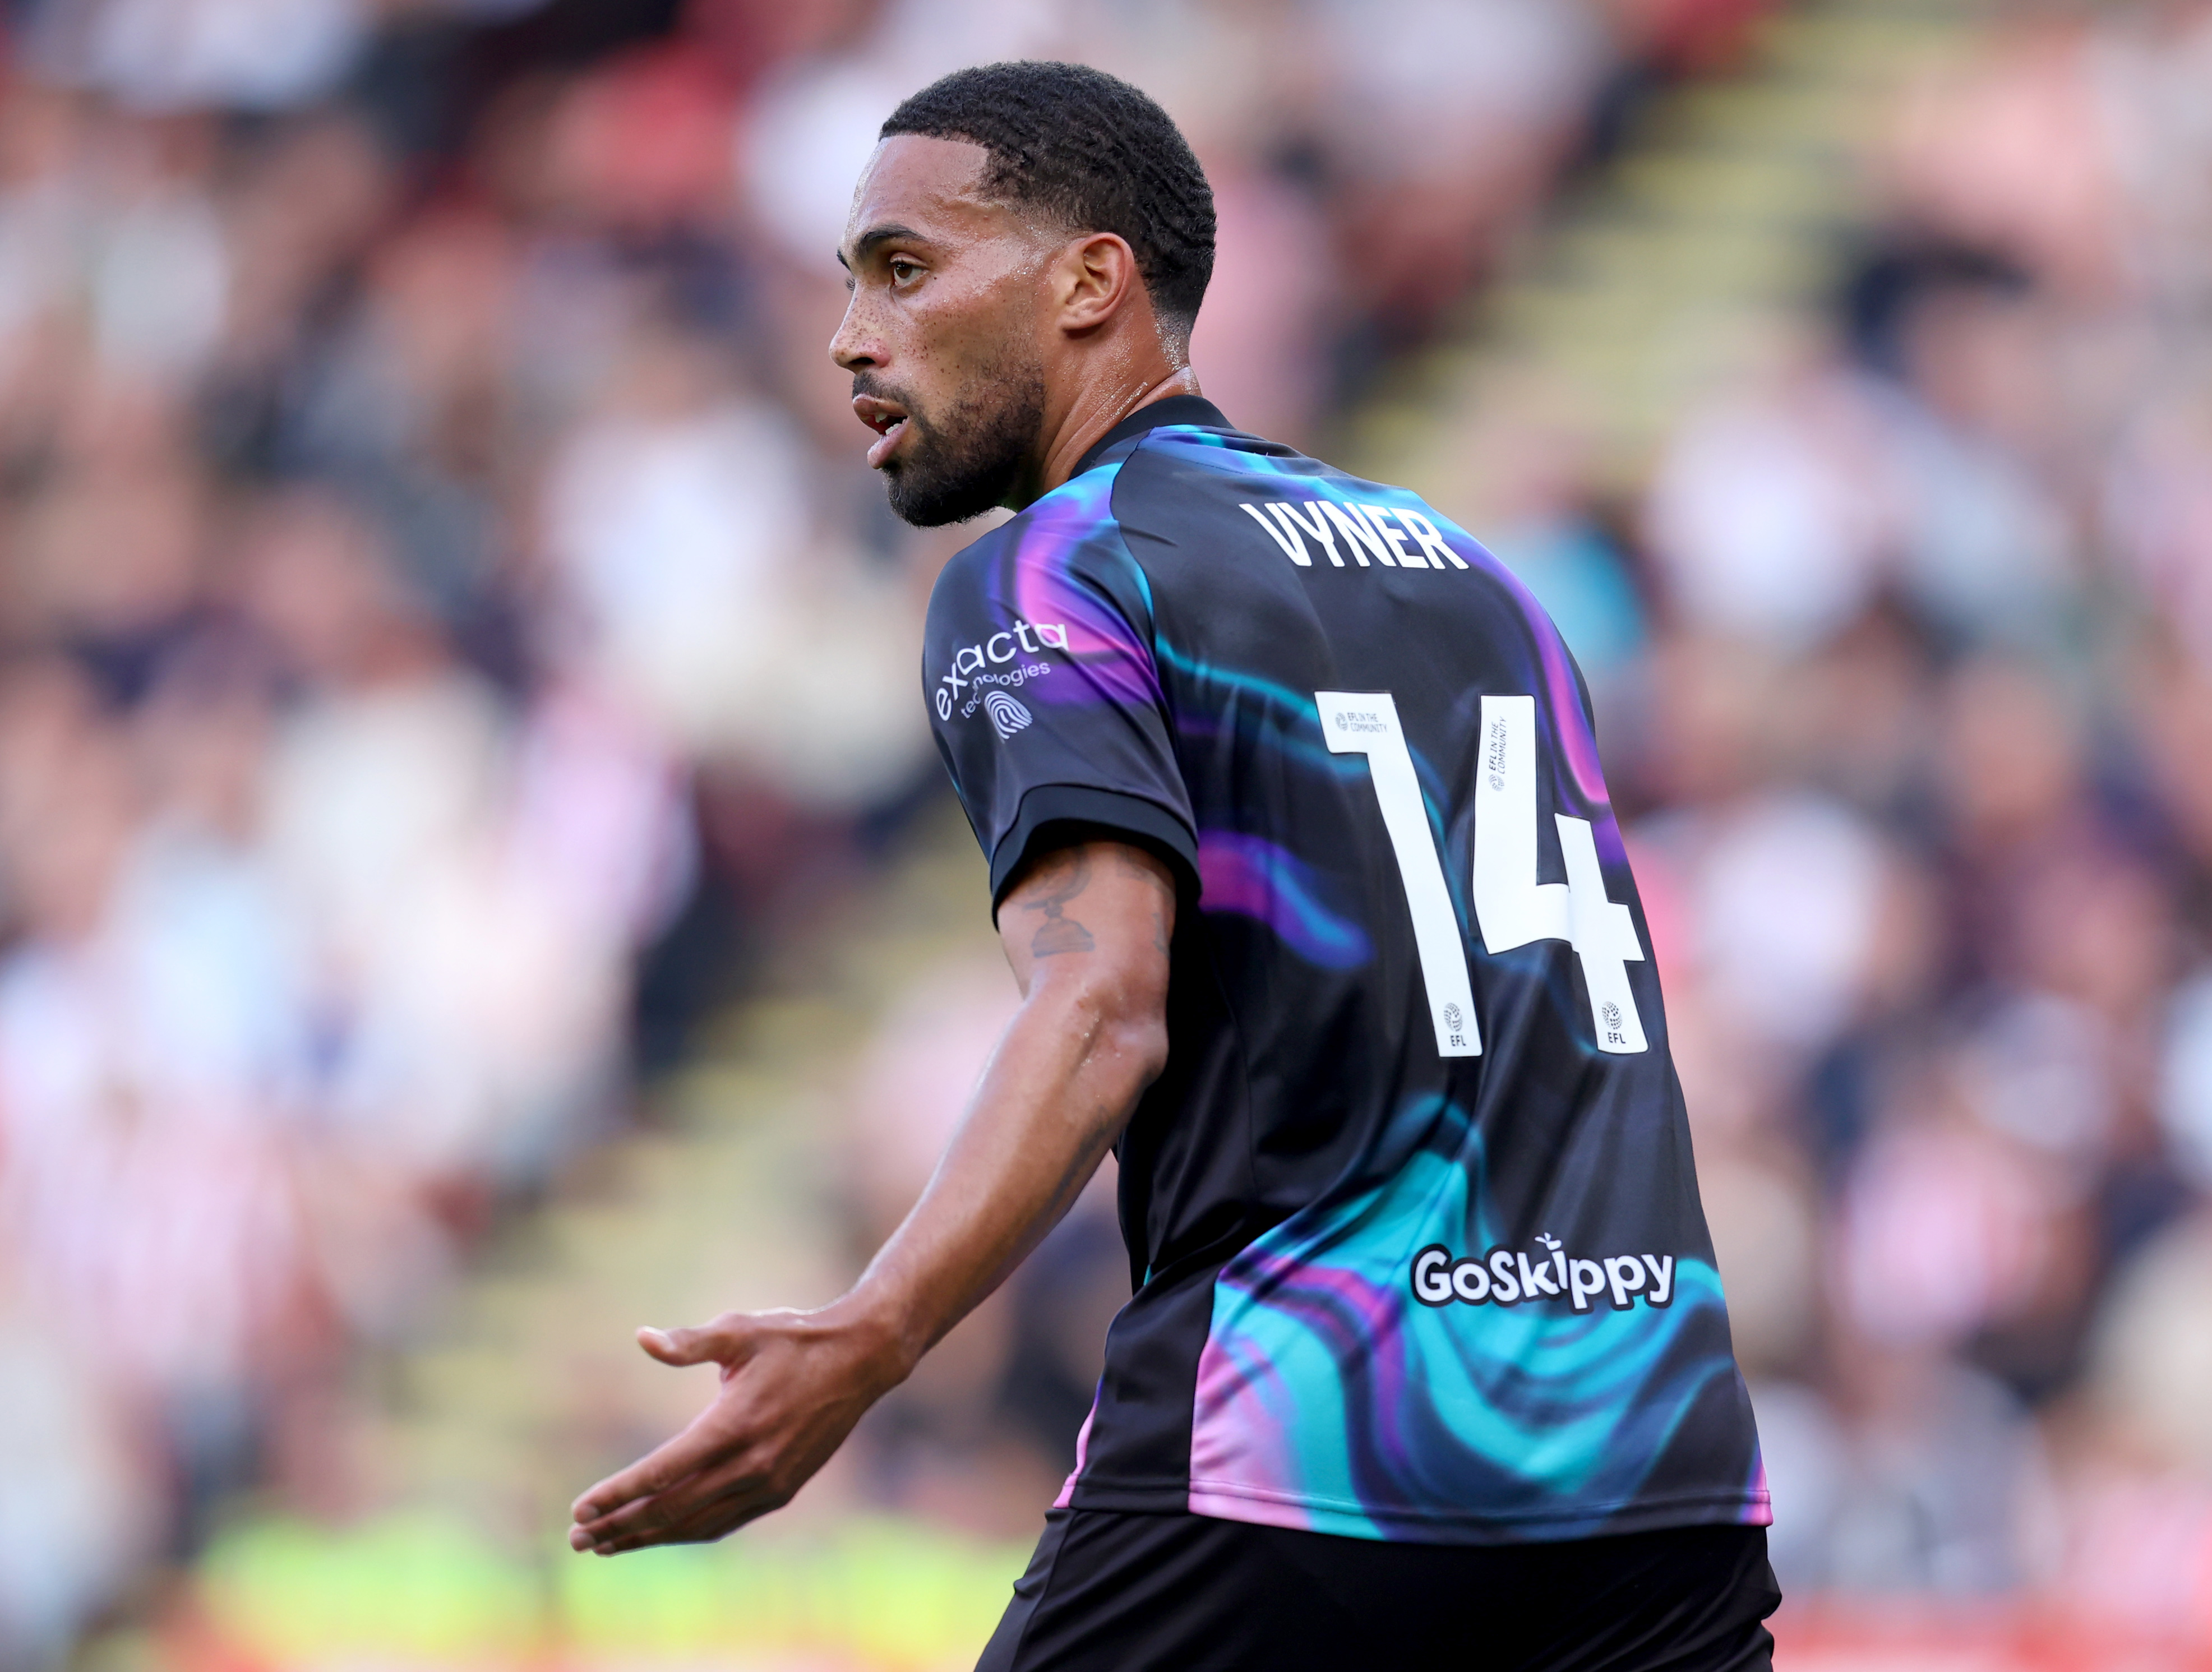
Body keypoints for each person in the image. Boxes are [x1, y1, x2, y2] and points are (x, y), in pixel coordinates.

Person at [569, 60, 1779, 1671]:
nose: (854, 338)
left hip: (1310, 1448)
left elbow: (1102, 1006)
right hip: (1648, 1457)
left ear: (1090, 284)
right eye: (847, 282)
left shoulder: (1061, 569)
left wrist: (870, 1335)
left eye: (904, 268)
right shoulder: (1475, 578)